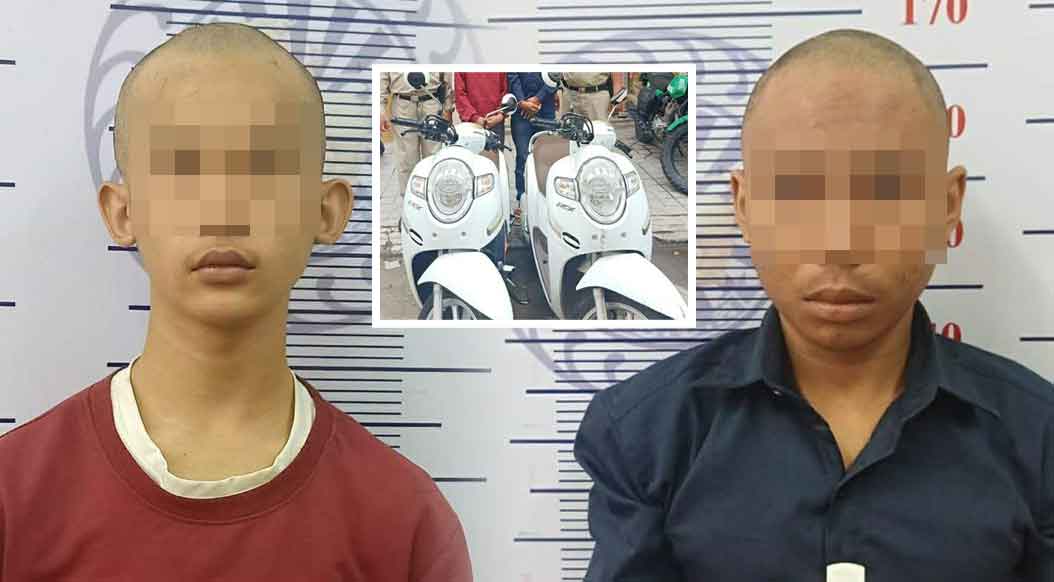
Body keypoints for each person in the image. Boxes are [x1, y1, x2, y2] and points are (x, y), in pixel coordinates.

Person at [575, 29, 1053, 582]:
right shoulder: (647, 438)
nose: (839, 243)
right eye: (798, 195)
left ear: (947, 207)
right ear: (745, 206)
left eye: (884, 194)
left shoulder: (1037, 441)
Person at [0, 23, 472, 582]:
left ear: (327, 212)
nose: (222, 209)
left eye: (263, 167)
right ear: (122, 213)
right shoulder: (14, 499)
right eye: (183, 168)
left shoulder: (405, 524)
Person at [380, 71, 453, 194]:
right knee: (406, 158)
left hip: (432, 100)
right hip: (403, 103)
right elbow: (382, 76)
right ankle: (409, 198)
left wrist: (448, 107)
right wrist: (380, 108)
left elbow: (447, 75)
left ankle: (433, 197)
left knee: (434, 156)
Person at [507, 72, 556, 225]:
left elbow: (555, 75)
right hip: (521, 112)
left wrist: (538, 98)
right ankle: (522, 202)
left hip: (546, 108)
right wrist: (522, 102)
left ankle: (548, 204)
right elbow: (512, 75)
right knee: (523, 156)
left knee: (547, 158)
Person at [454, 71, 509, 142]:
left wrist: (500, 115)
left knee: (496, 149)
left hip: (496, 124)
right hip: (471, 125)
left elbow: (505, 91)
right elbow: (460, 95)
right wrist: (474, 117)